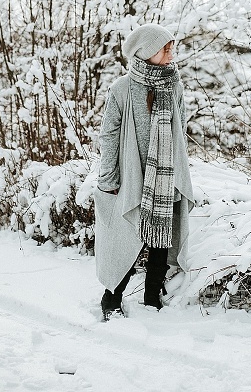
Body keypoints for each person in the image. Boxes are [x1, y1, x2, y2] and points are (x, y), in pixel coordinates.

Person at [95, 23, 194, 320]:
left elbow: (182, 127)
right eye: (164, 47)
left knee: (161, 236)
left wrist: (174, 169)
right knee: (127, 236)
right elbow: (109, 135)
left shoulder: (174, 84)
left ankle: (152, 297)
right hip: (131, 174)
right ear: (146, 51)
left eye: (170, 47)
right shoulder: (122, 89)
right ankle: (112, 297)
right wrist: (109, 176)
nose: (169, 52)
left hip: (164, 174)